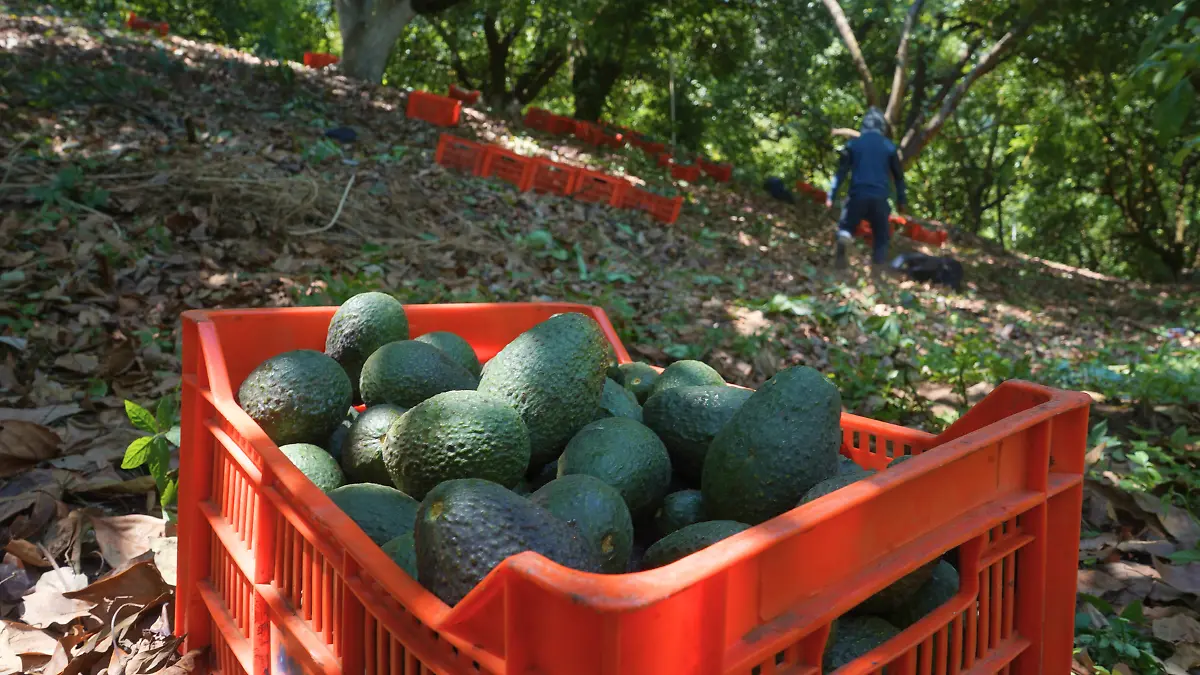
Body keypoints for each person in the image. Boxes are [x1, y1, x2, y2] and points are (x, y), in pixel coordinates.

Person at [825, 107, 909, 273]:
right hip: (879, 198)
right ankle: (877, 269)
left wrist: (831, 195)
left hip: (857, 195)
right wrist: (901, 201)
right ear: (882, 126)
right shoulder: (889, 147)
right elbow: (899, 178)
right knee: (881, 235)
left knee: (847, 226)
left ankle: (844, 241)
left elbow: (841, 173)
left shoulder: (853, 144)